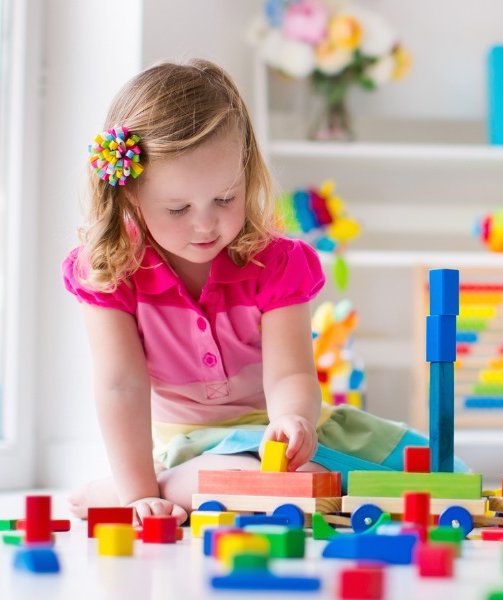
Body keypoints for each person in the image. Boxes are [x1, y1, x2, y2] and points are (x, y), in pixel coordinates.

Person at [64, 60, 461, 524]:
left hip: (272, 431)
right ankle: (134, 487)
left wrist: (292, 419)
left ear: (247, 174)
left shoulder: (274, 262)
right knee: (288, 487)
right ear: (130, 193)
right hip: (191, 446)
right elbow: (121, 387)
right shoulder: (109, 271)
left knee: (444, 476)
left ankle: (136, 490)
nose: (205, 224)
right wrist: (138, 495)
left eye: (225, 199)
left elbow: (291, 372)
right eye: (177, 208)